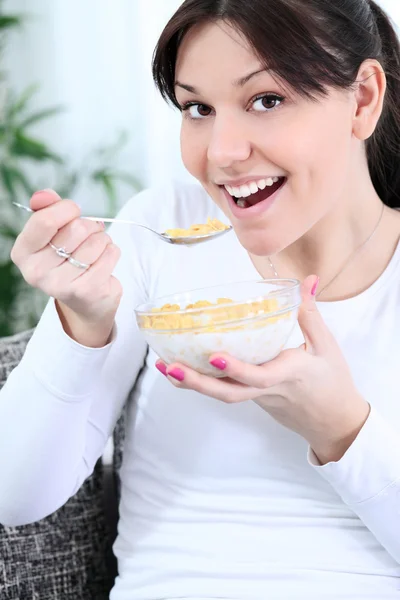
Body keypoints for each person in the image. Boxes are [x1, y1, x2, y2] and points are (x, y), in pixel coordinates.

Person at [1, 0, 400, 597]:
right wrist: (80, 326)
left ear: (363, 98)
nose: (220, 152)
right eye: (198, 108)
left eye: (267, 100)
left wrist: (340, 428)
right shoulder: (161, 228)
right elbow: (15, 495)